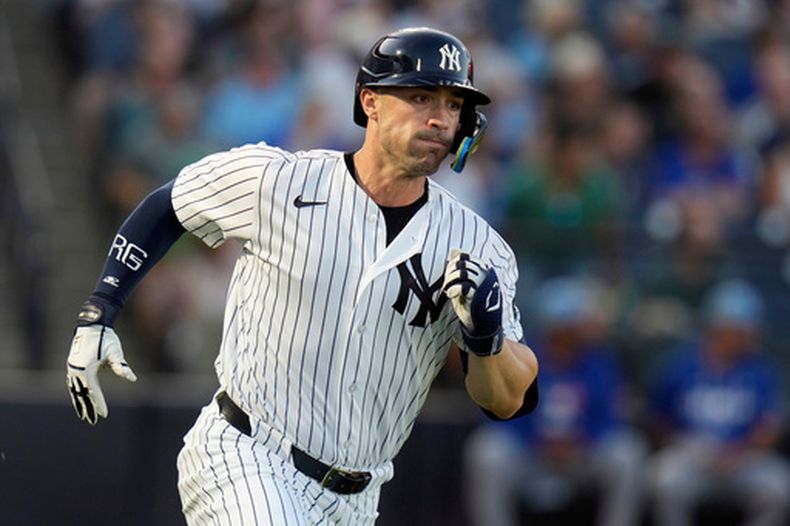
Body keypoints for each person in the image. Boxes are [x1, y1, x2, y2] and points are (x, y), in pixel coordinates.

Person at [65, 27, 539, 525]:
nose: (440, 118)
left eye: (454, 104)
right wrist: (101, 311)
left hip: (357, 498)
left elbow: (507, 400)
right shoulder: (282, 179)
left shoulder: (480, 248)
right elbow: (171, 204)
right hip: (245, 454)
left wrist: (486, 342)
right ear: (370, 101)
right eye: (421, 97)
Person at [464, 275, 646, 526]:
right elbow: (499, 409)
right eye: (565, 327)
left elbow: (610, 415)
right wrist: (536, 440)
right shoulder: (523, 355)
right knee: (486, 452)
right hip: (531, 453)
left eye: (575, 326)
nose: (572, 333)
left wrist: (583, 441)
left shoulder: (598, 361)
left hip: (582, 455)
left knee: (627, 454)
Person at [646, 278, 790, 526]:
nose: (746, 336)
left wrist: (745, 448)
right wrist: (687, 445)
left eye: (748, 330)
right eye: (739, 330)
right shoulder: (681, 365)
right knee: (664, 479)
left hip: (743, 459)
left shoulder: (759, 369)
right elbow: (658, 419)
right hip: (693, 456)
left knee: (779, 486)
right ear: (717, 327)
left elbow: (771, 424)